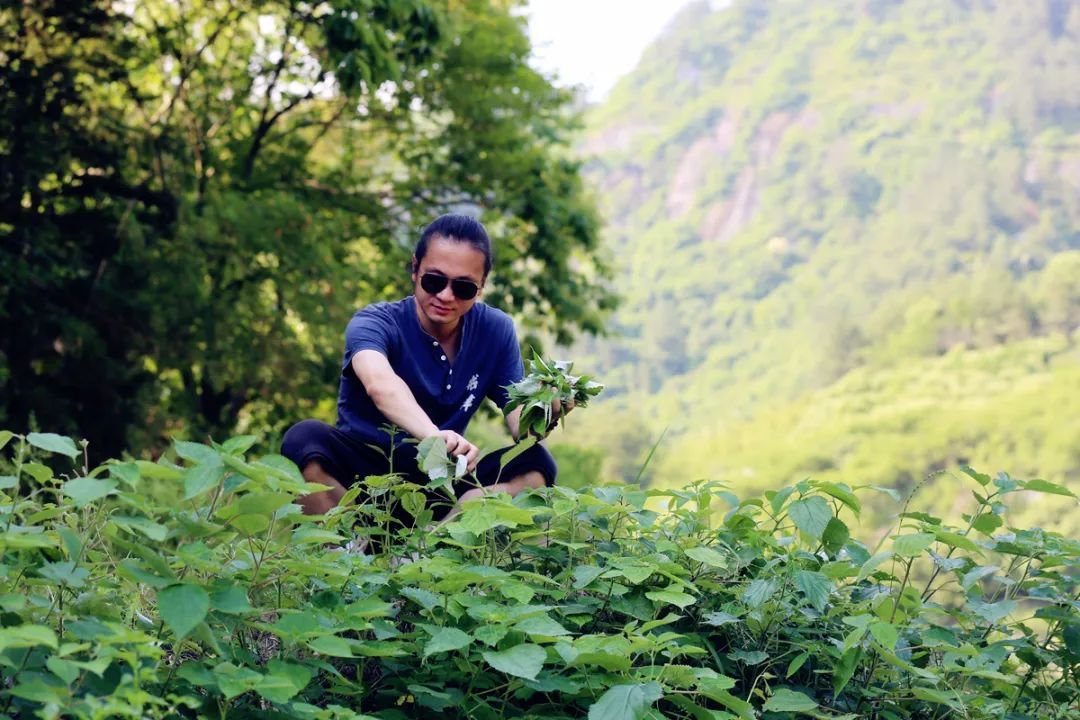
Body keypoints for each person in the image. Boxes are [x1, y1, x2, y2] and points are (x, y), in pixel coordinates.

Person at [281, 213, 567, 525]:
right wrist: (435, 437)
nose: (446, 295)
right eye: (434, 280)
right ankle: (343, 550)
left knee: (535, 463)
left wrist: (546, 409)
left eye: (463, 288)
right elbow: (380, 384)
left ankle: (438, 548)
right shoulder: (375, 322)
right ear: (415, 269)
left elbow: (521, 428)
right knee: (304, 439)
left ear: (482, 286)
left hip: (441, 484)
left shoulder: (495, 330)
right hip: (362, 480)